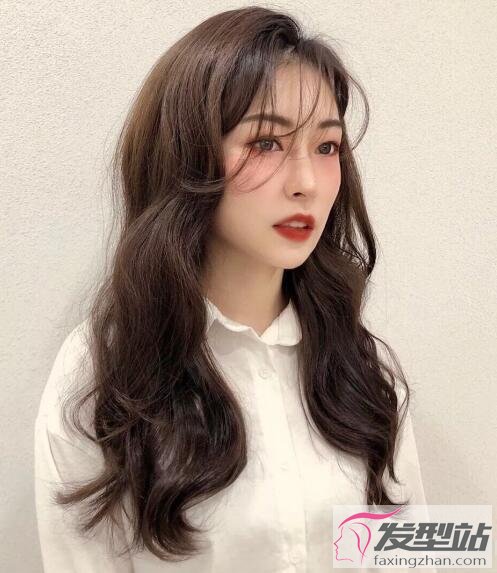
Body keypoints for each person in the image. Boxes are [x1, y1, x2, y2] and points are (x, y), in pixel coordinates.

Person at [34, 6, 435, 572]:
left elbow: (411, 552)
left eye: (326, 147)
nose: (306, 183)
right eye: (266, 142)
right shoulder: (104, 376)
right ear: (187, 155)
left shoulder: (364, 368)